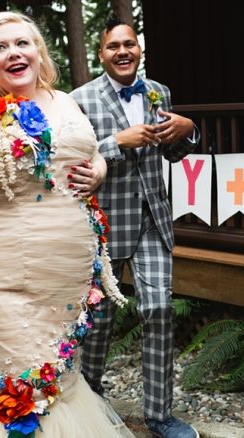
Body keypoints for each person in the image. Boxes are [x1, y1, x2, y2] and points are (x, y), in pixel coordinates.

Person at [0, 11, 133, 438]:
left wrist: (98, 170)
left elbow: (86, 154)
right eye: (0, 48)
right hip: (1, 283)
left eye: (23, 43)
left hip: (67, 287)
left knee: (60, 389)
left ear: (39, 52)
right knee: (22, 396)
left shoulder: (64, 101)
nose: (14, 53)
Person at [70, 18, 200, 438]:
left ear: (139, 49)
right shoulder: (79, 99)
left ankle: (159, 416)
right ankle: (87, 401)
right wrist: (115, 144)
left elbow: (175, 152)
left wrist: (188, 130)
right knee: (100, 319)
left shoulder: (159, 91)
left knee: (159, 310)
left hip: (153, 222)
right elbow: (71, 164)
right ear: (101, 53)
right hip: (104, 228)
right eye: (113, 46)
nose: (122, 51)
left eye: (129, 44)